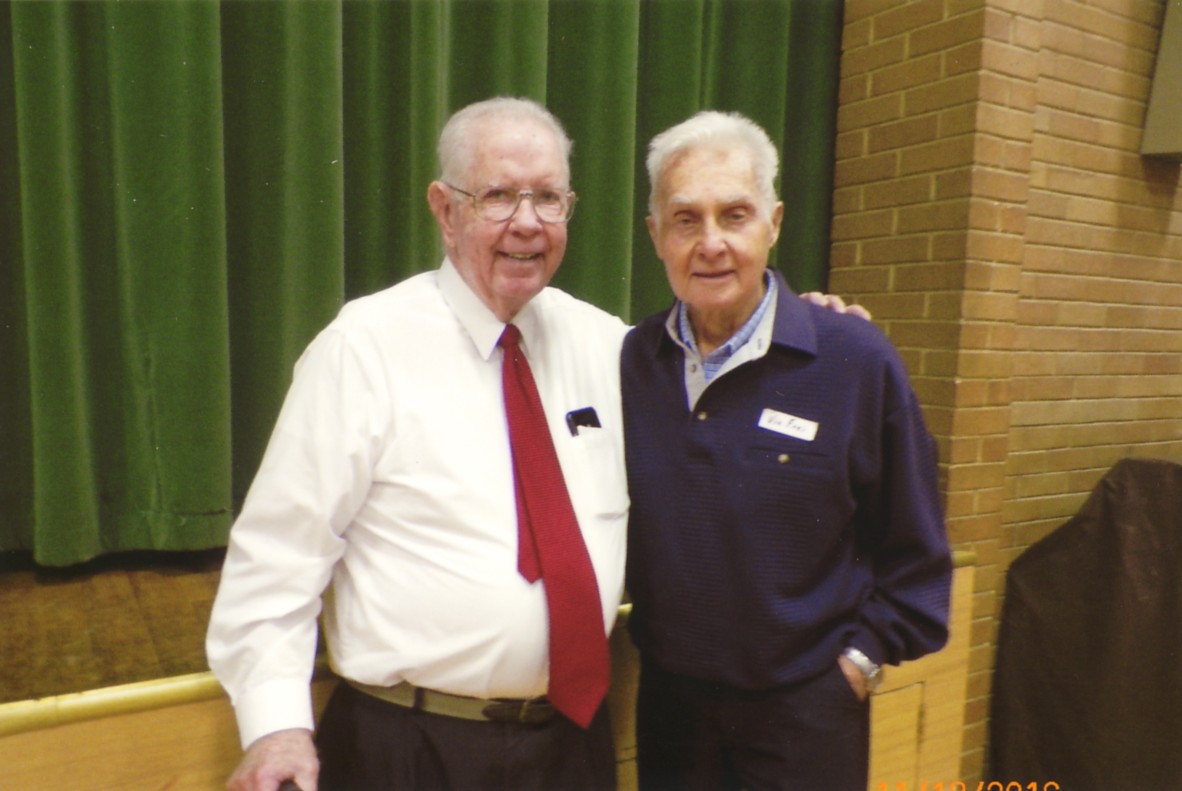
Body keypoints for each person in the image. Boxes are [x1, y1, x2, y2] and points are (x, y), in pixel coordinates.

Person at [207, 96, 861, 791]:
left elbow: (722, 395)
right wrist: (276, 726)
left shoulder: (610, 348)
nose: (527, 222)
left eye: (548, 197)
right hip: (410, 746)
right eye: (497, 195)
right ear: (444, 208)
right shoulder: (362, 350)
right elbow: (278, 556)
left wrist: (803, 335)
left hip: (571, 747)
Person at [620, 110, 953, 791]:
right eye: (686, 219)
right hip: (672, 721)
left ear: (773, 223)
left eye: (734, 215)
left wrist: (859, 664)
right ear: (656, 235)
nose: (711, 243)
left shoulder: (855, 358)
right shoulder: (634, 361)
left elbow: (915, 548)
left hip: (808, 718)